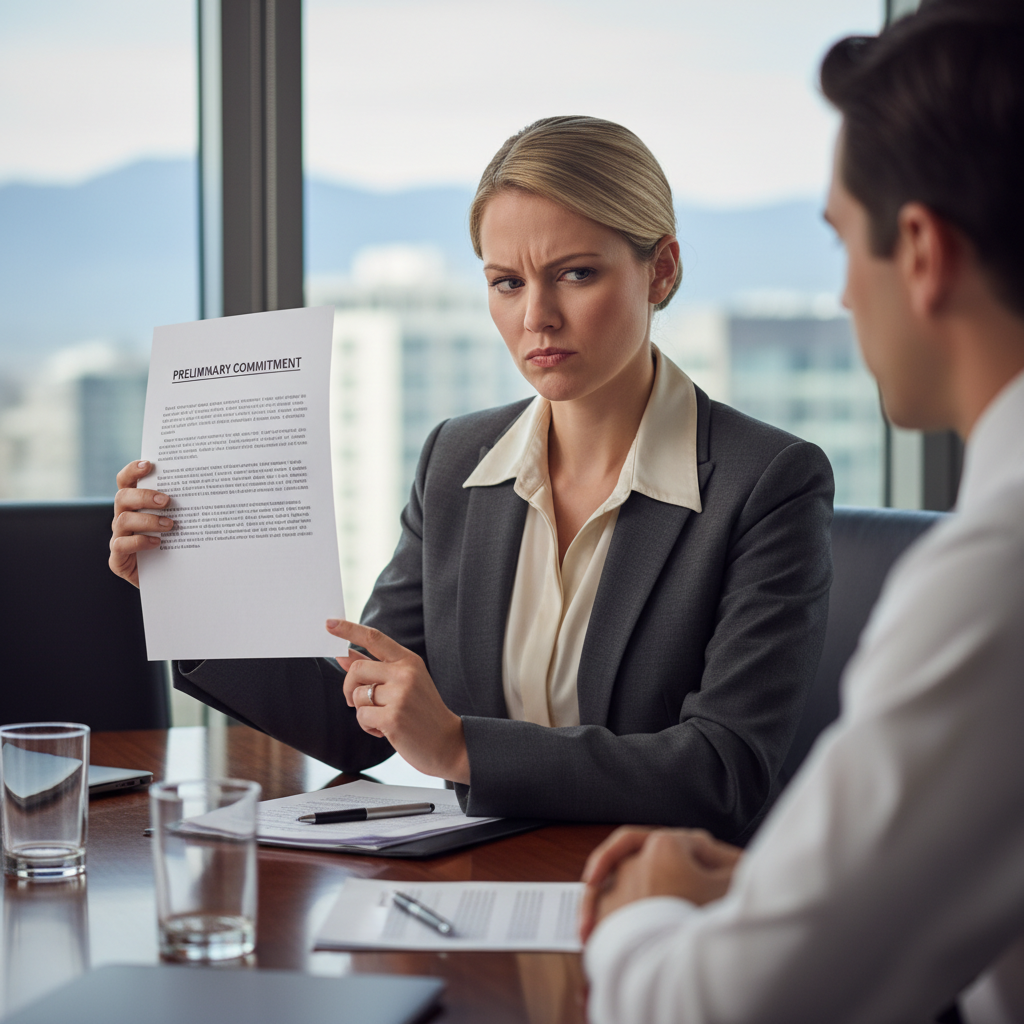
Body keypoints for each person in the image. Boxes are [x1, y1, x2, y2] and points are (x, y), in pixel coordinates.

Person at [109, 116, 834, 835]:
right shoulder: (457, 459)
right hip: (477, 888)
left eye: (575, 274)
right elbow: (360, 716)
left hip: (655, 906)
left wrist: (459, 747)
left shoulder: (767, 482)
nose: (537, 317)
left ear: (662, 269)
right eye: (506, 282)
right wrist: (194, 596)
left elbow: (724, 771)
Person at [579, 2, 1024, 1021]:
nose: (840, 299)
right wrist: (766, 901)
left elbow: (716, 1010)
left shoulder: (995, 578)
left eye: (841, 244)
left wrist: (644, 911)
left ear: (919, 251)